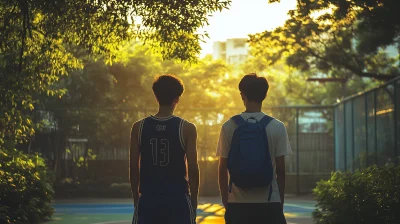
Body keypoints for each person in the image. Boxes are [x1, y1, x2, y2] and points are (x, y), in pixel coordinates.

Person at [217, 73, 292, 224]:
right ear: (264, 95)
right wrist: (279, 201)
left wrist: (226, 199)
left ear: (242, 95)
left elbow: (222, 168)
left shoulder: (228, 126)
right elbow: (281, 169)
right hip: (269, 202)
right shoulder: (277, 126)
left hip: (237, 204)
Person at [130, 74, 199, 224]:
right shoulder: (187, 128)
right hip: (178, 199)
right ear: (177, 99)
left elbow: (134, 167)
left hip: (149, 198)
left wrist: (136, 197)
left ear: (156, 97)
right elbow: (193, 168)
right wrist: (193, 201)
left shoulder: (138, 127)